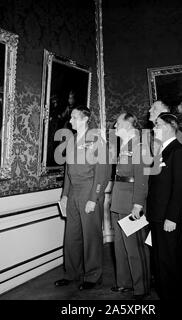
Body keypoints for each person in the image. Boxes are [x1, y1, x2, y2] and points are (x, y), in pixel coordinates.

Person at [55, 106, 111, 290]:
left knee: (91, 236)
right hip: (73, 193)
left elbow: (103, 173)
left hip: (89, 190)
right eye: (70, 117)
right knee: (71, 236)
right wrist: (64, 196)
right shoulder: (71, 141)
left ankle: (93, 276)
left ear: (85, 119)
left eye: (74, 117)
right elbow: (68, 172)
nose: (70, 121)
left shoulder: (96, 140)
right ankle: (72, 273)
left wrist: (94, 198)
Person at [146, 112, 182, 300]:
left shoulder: (178, 151)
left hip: (167, 218)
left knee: (170, 262)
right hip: (156, 215)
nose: (154, 128)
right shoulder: (162, 151)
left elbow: (180, 188)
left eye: (157, 125)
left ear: (169, 126)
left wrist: (172, 217)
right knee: (160, 261)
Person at [110, 112, 151, 300]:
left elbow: (142, 180)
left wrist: (138, 204)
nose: (115, 126)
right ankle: (124, 282)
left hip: (131, 203)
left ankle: (141, 287)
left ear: (128, 124)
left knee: (135, 247)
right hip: (118, 201)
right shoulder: (125, 145)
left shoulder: (140, 146)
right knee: (120, 246)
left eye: (118, 123)